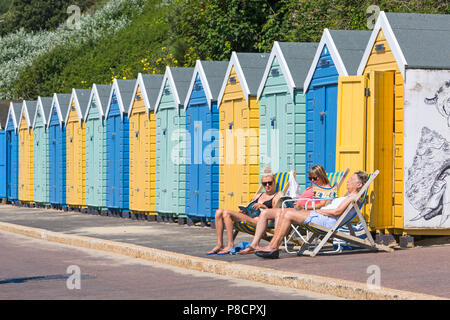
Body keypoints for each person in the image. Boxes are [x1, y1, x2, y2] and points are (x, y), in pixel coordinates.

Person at [255, 171, 369, 259]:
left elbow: (337, 212)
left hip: (325, 220)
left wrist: (319, 210)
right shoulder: (348, 196)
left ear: (359, 184)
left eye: (351, 179)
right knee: (285, 211)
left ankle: (273, 247)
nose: (348, 181)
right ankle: (272, 246)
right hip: (321, 216)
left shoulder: (353, 198)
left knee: (288, 214)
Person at [238, 165, 331, 255]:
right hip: (296, 208)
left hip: (306, 212)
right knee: (265, 212)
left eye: (315, 178)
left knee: (282, 213)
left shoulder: (326, 188)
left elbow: (322, 204)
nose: (312, 181)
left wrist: (304, 207)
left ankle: (274, 246)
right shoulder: (312, 187)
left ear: (321, 175)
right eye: (310, 178)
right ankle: (255, 244)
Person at [206, 167, 281, 255]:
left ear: (274, 183)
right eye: (264, 183)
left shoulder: (276, 197)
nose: (267, 185)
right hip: (249, 216)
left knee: (226, 213)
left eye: (270, 183)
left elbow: (277, 215)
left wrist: (264, 207)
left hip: (260, 221)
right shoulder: (258, 195)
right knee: (218, 212)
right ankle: (220, 244)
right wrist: (244, 211)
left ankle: (230, 244)